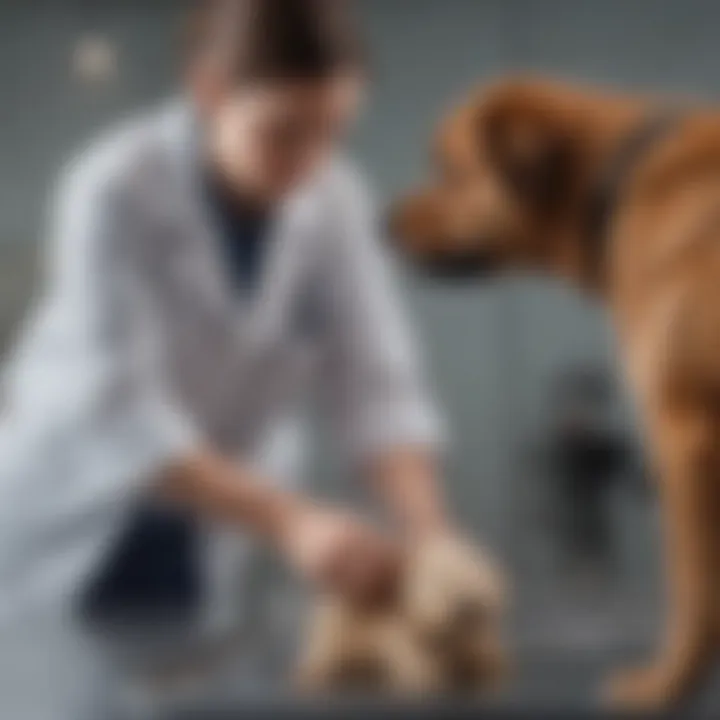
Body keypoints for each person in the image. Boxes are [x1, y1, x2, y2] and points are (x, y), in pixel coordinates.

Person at [0, 1, 458, 717]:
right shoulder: (115, 185)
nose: (307, 161)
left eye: (332, 132)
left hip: (202, 547)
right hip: (66, 526)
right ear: (209, 90)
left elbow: (378, 385)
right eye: (281, 133)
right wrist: (295, 522)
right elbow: (117, 412)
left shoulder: (334, 201)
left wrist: (432, 540)